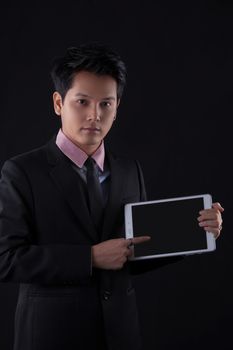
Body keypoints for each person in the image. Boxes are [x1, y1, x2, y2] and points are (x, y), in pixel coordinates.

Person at [0, 43, 224, 350]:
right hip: (51, 336)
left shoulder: (130, 170)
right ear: (58, 102)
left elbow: (134, 252)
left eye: (106, 104)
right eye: (82, 102)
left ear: (117, 107)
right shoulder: (21, 171)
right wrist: (89, 258)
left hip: (120, 334)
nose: (94, 115)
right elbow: (6, 259)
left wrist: (197, 233)